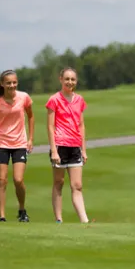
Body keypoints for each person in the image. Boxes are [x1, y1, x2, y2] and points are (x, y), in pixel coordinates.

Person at [0, 69, 34, 223]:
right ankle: (2, 216)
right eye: (8, 83)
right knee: (2, 180)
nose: (12, 85)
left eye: (14, 82)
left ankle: (22, 210)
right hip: (1, 144)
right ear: (2, 84)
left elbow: (30, 116)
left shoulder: (24, 97)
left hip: (20, 144)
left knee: (18, 180)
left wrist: (30, 138)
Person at [45, 67, 90, 224]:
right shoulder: (54, 100)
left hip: (75, 145)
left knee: (77, 185)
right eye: (67, 79)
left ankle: (84, 220)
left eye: (72, 79)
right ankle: (59, 219)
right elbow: (50, 126)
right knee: (59, 183)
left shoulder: (79, 100)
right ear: (61, 79)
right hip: (60, 145)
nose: (70, 82)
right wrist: (54, 150)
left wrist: (83, 149)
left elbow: (81, 125)